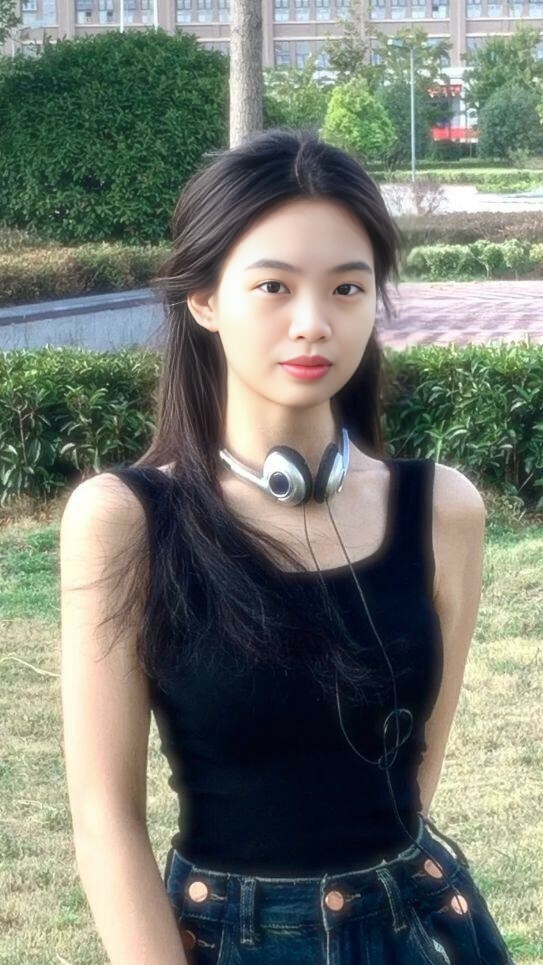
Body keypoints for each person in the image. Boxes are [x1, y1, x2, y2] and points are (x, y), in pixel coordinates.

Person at [60, 128, 514, 964]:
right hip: (233, 938)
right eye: (273, 285)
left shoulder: (441, 509)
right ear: (205, 299)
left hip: (425, 924)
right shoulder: (126, 521)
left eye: (347, 287)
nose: (313, 323)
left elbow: (414, 771)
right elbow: (104, 817)